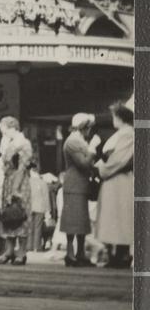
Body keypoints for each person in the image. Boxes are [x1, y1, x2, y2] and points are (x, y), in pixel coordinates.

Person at [95, 100, 134, 269]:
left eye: (114, 116)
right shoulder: (122, 133)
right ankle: (115, 253)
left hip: (119, 179)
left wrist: (102, 168)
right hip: (114, 180)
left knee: (119, 217)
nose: (112, 119)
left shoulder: (127, 134)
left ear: (120, 117)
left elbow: (119, 159)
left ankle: (121, 254)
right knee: (114, 216)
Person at [60, 112, 99, 268]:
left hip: (79, 185)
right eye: (89, 127)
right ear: (84, 127)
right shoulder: (73, 141)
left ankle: (79, 253)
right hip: (74, 184)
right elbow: (83, 163)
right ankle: (71, 254)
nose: (90, 130)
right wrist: (93, 149)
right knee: (73, 220)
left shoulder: (78, 140)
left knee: (81, 221)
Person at [0, 116, 33, 265]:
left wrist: (15, 189)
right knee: (9, 217)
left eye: (4, 131)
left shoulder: (23, 144)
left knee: (20, 216)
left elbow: (22, 168)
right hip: (9, 182)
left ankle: (21, 253)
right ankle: (9, 251)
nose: (3, 135)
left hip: (19, 183)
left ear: (12, 128)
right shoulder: (10, 143)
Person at [28, 165, 51, 253]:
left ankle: (28, 246)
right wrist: (48, 210)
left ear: (31, 171)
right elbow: (46, 197)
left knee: (30, 227)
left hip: (29, 207)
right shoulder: (43, 183)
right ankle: (37, 246)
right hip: (40, 207)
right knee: (38, 227)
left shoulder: (28, 182)